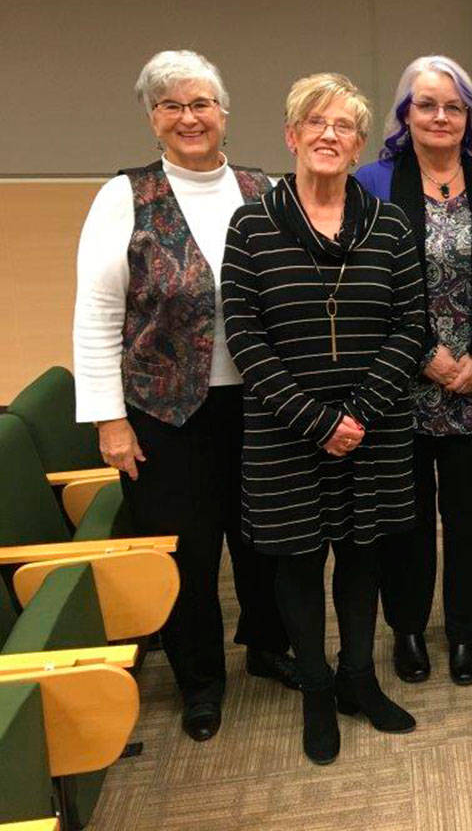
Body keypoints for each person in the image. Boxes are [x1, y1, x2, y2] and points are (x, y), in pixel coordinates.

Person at [72, 49, 296, 744]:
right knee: (186, 551)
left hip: (260, 407)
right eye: (172, 106)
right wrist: (110, 420)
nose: (189, 117)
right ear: (153, 119)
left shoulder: (266, 189)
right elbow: (97, 314)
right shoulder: (124, 196)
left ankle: (265, 646)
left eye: (201, 104)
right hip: (164, 412)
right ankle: (200, 680)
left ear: (224, 114)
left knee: (264, 539)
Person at [222, 73, 426, 765]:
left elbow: (413, 324)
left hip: (375, 428)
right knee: (299, 563)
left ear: (360, 142)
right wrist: (317, 419)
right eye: (316, 122)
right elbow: (243, 334)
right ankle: (315, 687)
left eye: (344, 125)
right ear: (292, 135)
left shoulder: (389, 223)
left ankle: (358, 680)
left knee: (364, 554)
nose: (329, 135)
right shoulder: (252, 223)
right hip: (286, 431)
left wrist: (359, 413)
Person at [356, 56, 472, 687]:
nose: (440, 116)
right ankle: (410, 629)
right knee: (408, 519)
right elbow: (364, 281)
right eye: (426, 104)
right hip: (399, 384)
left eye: (453, 106)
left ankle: (469, 632)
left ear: (469, 114)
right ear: (405, 113)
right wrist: (423, 353)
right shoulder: (369, 182)